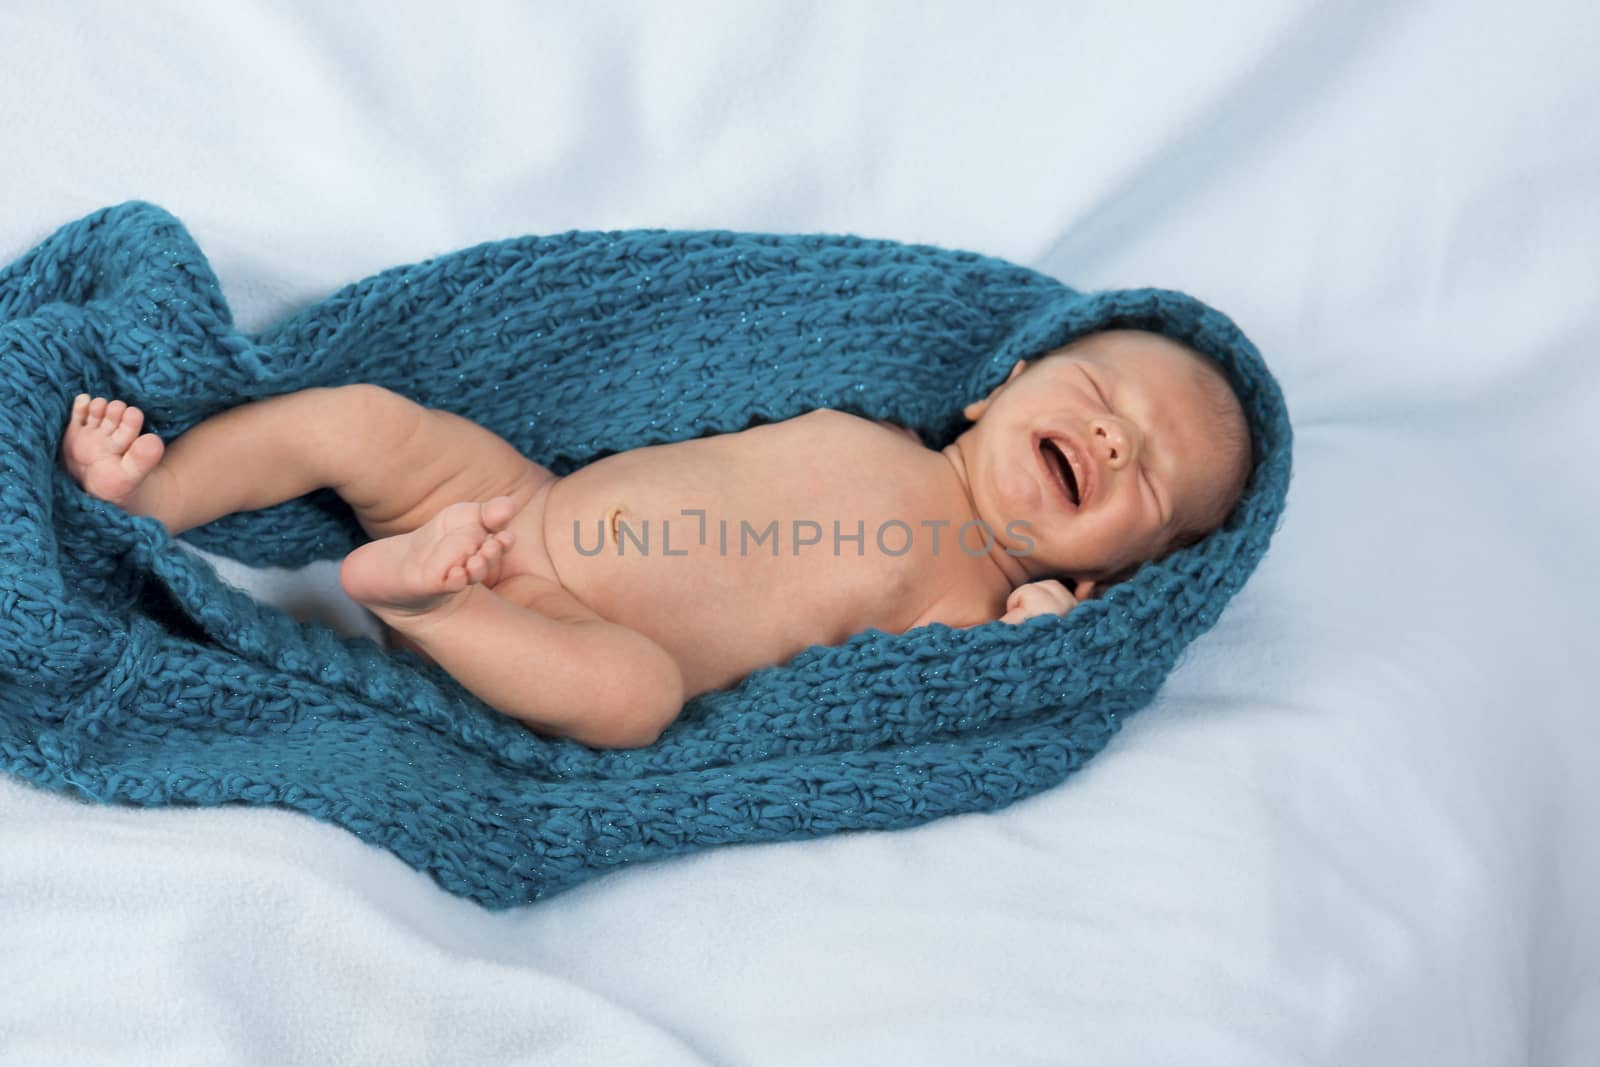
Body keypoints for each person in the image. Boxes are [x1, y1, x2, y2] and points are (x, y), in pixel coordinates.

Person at [60, 328, 1251, 749]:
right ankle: (143, 499)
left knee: (638, 699)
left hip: (567, 627)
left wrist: (1033, 642)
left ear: (1103, 572)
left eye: (1143, 467)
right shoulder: (874, 410)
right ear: (999, 388)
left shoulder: (967, 596)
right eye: (1098, 393)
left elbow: (925, 700)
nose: (1107, 437)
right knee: (365, 423)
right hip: (516, 501)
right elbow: (686, 363)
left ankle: (430, 606)